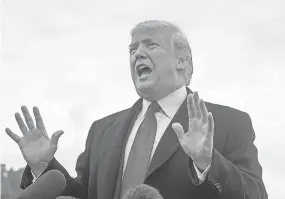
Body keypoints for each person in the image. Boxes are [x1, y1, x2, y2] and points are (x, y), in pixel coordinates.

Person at [5, 20, 268, 199]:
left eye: (150, 45)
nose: (137, 54)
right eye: (133, 49)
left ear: (182, 61)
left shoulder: (228, 123)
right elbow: (83, 194)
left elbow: (255, 195)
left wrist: (207, 163)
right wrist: (44, 166)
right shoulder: (102, 130)